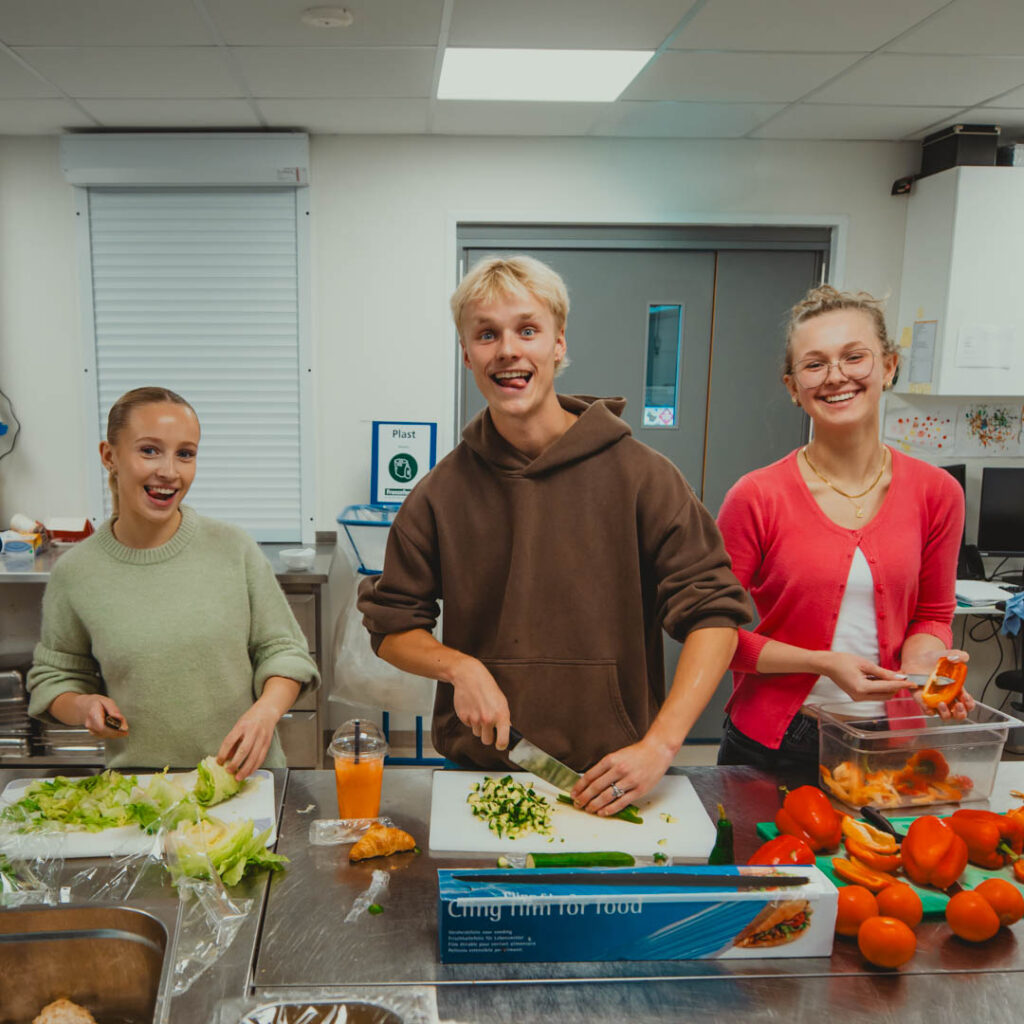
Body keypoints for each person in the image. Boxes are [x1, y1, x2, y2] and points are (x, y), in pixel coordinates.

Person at [358, 255, 750, 815]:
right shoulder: (439, 494)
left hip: (616, 777)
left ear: (558, 345)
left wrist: (661, 746)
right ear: (467, 354)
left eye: (528, 330)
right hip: (481, 775)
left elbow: (715, 617)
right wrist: (458, 666)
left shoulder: (643, 477)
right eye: (487, 335)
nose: (508, 350)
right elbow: (392, 627)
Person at [716, 285, 970, 774]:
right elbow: (714, 634)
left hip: (888, 737)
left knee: (878, 852)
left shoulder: (938, 493)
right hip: (775, 740)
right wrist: (823, 662)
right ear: (793, 387)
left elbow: (933, 615)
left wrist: (923, 674)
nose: (837, 377)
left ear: (889, 366)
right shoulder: (757, 496)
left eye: (855, 357)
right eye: (815, 365)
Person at [26, 386, 319, 778]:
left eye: (185, 453)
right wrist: (82, 707)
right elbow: (56, 678)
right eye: (149, 450)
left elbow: (284, 652)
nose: (169, 471)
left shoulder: (234, 549)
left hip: (242, 782)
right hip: (139, 790)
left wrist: (265, 713)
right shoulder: (76, 573)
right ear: (109, 456)